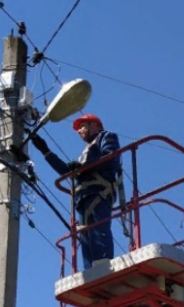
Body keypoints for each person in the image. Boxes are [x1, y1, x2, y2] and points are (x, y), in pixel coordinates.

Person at [30, 114, 121, 270]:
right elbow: (66, 171)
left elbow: (110, 157)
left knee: (98, 229)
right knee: (86, 234)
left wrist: (81, 167)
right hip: (83, 197)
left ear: (96, 125)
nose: (79, 131)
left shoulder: (106, 137)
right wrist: (46, 151)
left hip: (99, 191)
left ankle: (104, 265)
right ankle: (90, 269)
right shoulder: (87, 151)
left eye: (83, 126)